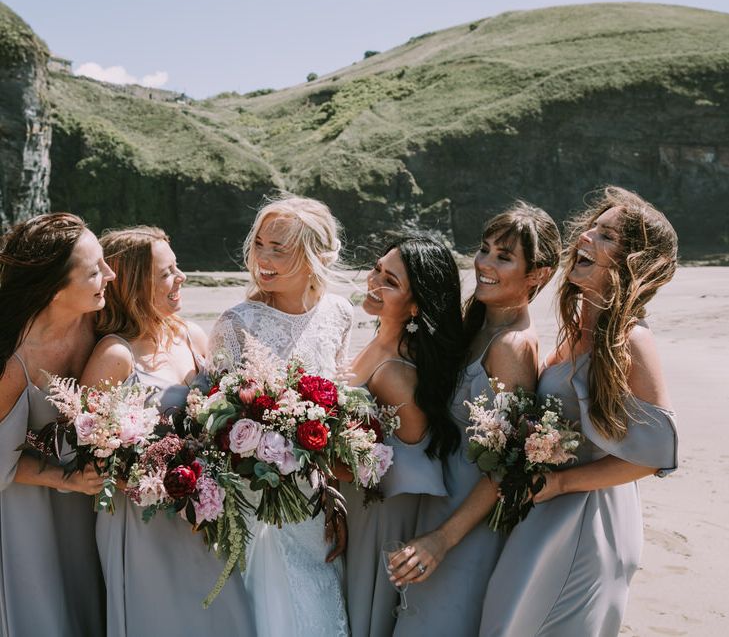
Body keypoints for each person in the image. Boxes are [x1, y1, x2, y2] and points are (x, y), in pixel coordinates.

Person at [480, 186, 679, 636]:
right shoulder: (578, 329)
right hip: (549, 507)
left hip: (588, 517)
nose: (585, 236)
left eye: (606, 236)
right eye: (592, 226)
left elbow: (654, 456)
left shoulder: (631, 338)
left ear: (634, 261)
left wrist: (561, 481)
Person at [388, 203, 562, 636]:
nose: (484, 263)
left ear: (537, 274)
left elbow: (508, 466)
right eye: (484, 249)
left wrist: (442, 540)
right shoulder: (476, 323)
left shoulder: (512, 346)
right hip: (434, 505)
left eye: (504, 257)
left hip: (466, 529)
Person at [80, 226, 255, 637]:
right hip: (145, 522)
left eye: (177, 268)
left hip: (208, 510)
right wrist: (155, 480)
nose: (182, 278)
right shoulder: (113, 355)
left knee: (226, 616)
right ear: (134, 284)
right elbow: (90, 451)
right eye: (167, 273)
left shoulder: (190, 335)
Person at [209, 194, 352, 637]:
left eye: (280, 249)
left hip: (317, 500)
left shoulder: (340, 314)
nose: (263, 259)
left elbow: (343, 404)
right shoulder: (236, 323)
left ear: (315, 257)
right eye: (260, 245)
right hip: (256, 500)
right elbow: (215, 421)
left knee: (320, 599)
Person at [341, 234, 467, 637]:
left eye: (390, 282)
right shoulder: (380, 342)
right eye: (377, 270)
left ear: (415, 305)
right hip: (355, 508)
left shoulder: (399, 373)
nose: (374, 283)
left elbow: (405, 464)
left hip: (378, 516)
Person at [0, 212, 112, 636]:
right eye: (95, 270)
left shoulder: (98, 319)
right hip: (23, 513)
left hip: (89, 505)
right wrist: (65, 481)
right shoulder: (13, 359)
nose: (111, 274)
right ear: (53, 290)